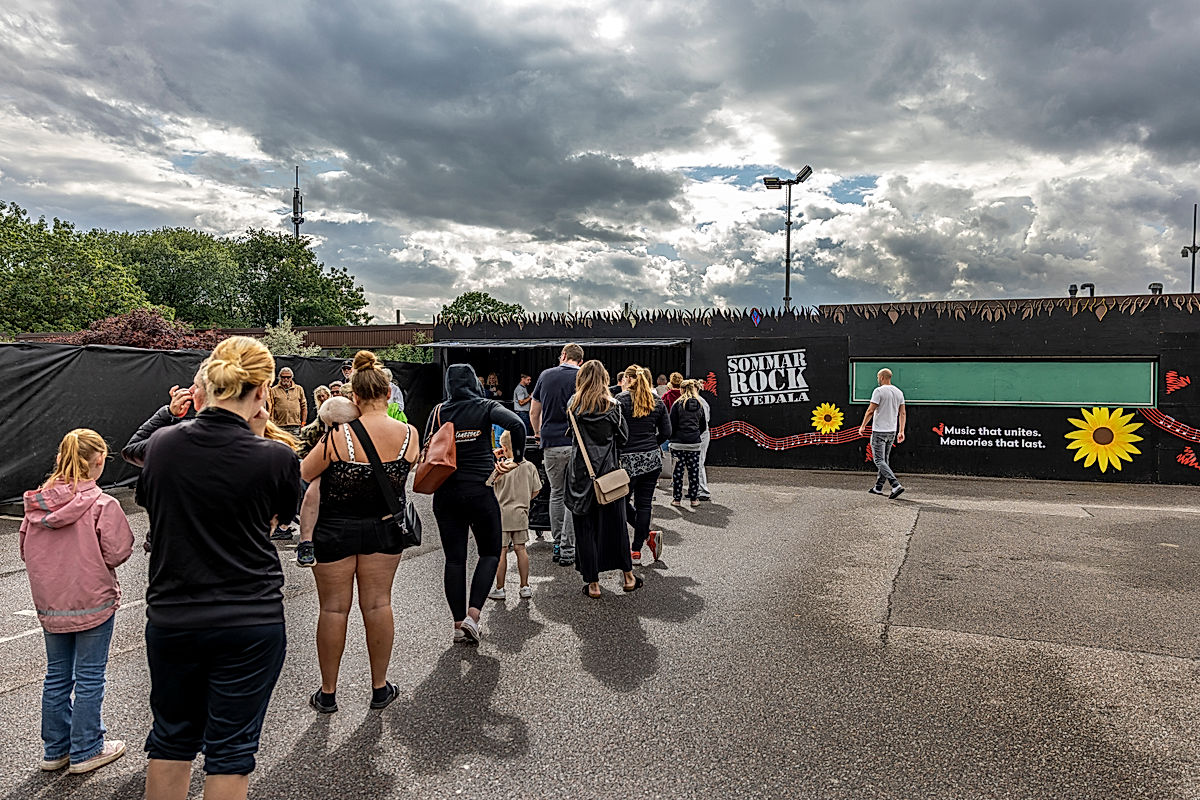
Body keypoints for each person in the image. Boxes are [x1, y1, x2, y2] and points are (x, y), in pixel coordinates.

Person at [137, 336, 300, 800]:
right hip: (249, 616)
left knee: (170, 742)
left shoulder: (162, 446)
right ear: (263, 391)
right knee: (231, 751)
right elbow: (276, 519)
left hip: (173, 615)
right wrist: (258, 435)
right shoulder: (275, 456)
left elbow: (154, 504)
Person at [300, 350, 420, 712]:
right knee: (379, 604)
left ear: (354, 397)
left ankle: (328, 693)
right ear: (388, 394)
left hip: (334, 529)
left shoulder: (339, 436)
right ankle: (379, 688)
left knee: (334, 610)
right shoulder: (409, 435)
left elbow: (305, 472)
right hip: (384, 530)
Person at [21, 429, 134, 775]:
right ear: (99, 460)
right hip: (93, 601)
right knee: (89, 677)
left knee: (57, 675)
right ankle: (87, 748)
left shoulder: (37, 503)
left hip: (51, 604)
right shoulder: (102, 504)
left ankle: (55, 749)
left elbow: (25, 550)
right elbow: (118, 551)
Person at [430, 363, 527, 643]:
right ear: (474, 381)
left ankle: (458, 625)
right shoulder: (485, 406)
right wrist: (517, 457)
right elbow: (516, 423)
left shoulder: (439, 411)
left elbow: (429, 444)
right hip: (480, 492)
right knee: (489, 553)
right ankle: (474, 616)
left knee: (454, 559)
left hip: (446, 492)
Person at [565, 360, 639, 598]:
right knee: (616, 526)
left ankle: (593, 584)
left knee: (585, 528)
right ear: (605, 379)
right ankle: (628, 577)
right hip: (608, 474)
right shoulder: (613, 406)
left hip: (581, 474)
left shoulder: (573, 405)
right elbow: (624, 437)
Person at [530, 343, 584, 567]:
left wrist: (538, 433)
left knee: (556, 493)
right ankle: (569, 548)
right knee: (574, 494)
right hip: (576, 443)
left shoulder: (545, 375)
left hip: (550, 442)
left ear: (562, 356)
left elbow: (534, 411)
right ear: (580, 360)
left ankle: (557, 542)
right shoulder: (583, 376)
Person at [615, 365, 670, 566]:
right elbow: (667, 431)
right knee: (644, 504)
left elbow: (613, 430)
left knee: (620, 502)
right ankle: (636, 550)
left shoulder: (620, 401)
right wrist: (653, 443)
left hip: (626, 460)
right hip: (651, 459)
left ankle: (645, 537)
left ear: (628, 379)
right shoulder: (656, 401)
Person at [487, 430, 542, 601]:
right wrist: (525, 499)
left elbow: (488, 484)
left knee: (501, 551)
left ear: (503, 448)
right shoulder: (529, 466)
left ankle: (500, 588)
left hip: (502, 514)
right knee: (521, 549)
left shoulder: (500, 468)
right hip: (521, 513)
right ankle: (524, 586)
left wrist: (494, 459)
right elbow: (537, 489)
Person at [858, 368, 907, 499]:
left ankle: (895, 484)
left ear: (881, 378)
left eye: (877, 378)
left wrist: (863, 426)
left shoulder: (878, 391)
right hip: (892, 431)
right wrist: (901, 431)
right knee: (884, 460)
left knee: (879, 460)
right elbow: (902, 413)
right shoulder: (899, 392)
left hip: (879, 431)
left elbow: (870, 410)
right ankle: (878, 487)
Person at [668, 380, 707, 507]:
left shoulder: (677, 404)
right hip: (694, 444)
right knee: (693, 472)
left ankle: (677, 499)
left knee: (678, 473)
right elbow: (703, 426)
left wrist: (674, 436)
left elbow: (671, 425)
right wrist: (694, 435)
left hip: (678, 444)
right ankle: (694, 499)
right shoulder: (700, 405)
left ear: (682, 389)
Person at [268, 367, 307, 436]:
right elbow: (271, 408)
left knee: (295, 446)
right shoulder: (273, 390)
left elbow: (304, 407)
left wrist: (303, 423)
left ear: (291, 377)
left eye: (288, 377)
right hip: (279, 426)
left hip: (295, 425)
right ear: (279, 377)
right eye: (283, 377)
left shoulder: (299, 389)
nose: (286, 379)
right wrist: (272, 424)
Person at [696, 387, 712, 501]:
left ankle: (703, 491)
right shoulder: (701, 401)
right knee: (697, 463)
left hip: (701, 434)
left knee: (699, 462)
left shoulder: (700, 402)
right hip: (701, 434)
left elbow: (704, 421)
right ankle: (698, 489)